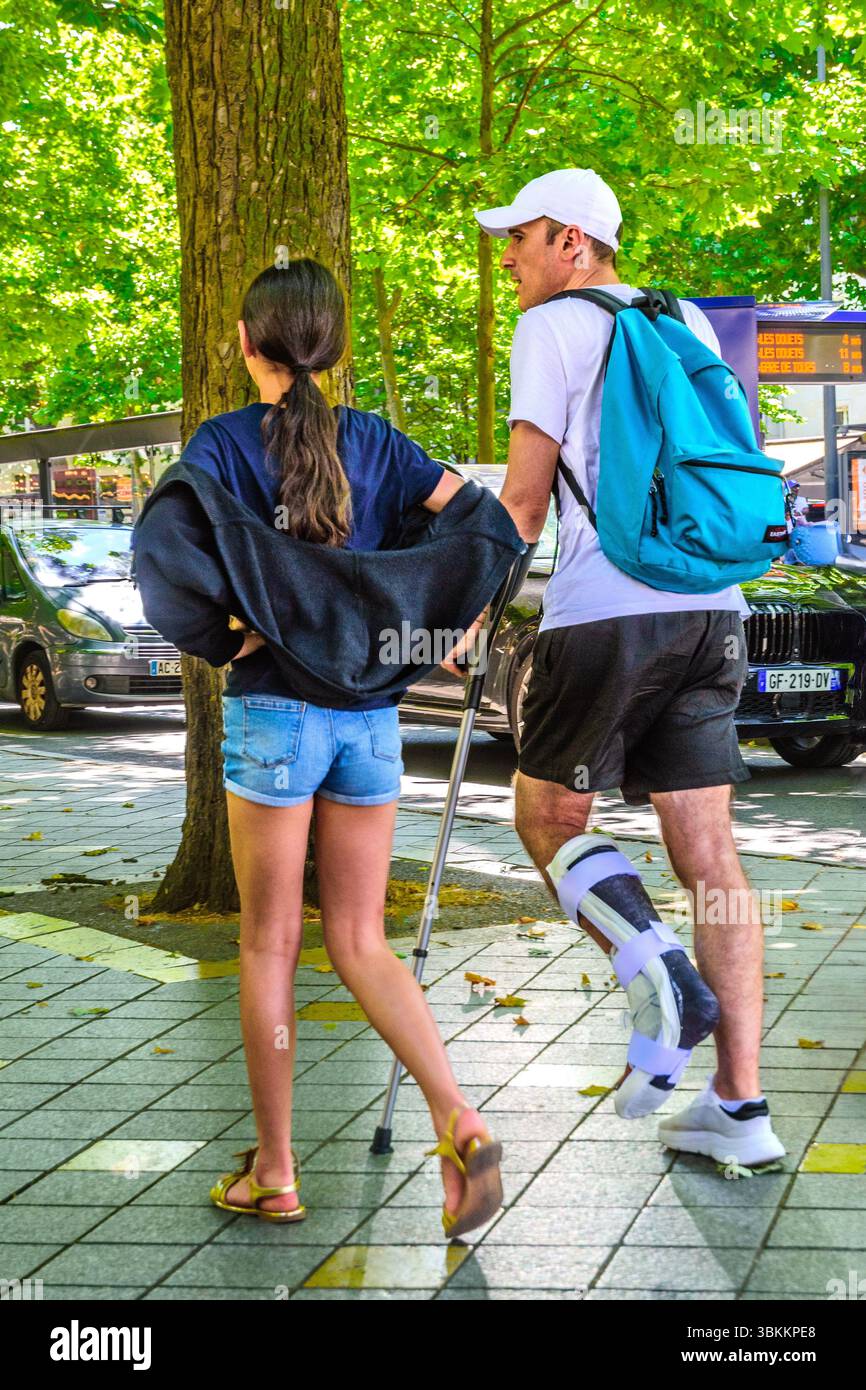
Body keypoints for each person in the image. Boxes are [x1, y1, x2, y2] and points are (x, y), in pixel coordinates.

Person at [162, 259, 504, 1234]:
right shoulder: (383, 447)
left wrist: (245, 633)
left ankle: (274, 1169)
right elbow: (478, 523)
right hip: (367, 723)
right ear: (337, 347)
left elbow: (182, 576)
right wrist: (442, 622)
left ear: (244, 343)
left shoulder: (222, 447)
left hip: (275, 719)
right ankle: (458, 1115)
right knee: (359, 941)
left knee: (269, 942)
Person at [472, 169, 785, 1165]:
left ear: (569, 240)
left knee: (545, 815)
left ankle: (658, 973)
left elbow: (523, 503)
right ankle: (739, 1109)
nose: (506, 258)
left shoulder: (550, 327)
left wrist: (467, 606)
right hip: (711, 608)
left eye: (517, 239)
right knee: (710, 857)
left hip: (605, 611)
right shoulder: (682, 316)